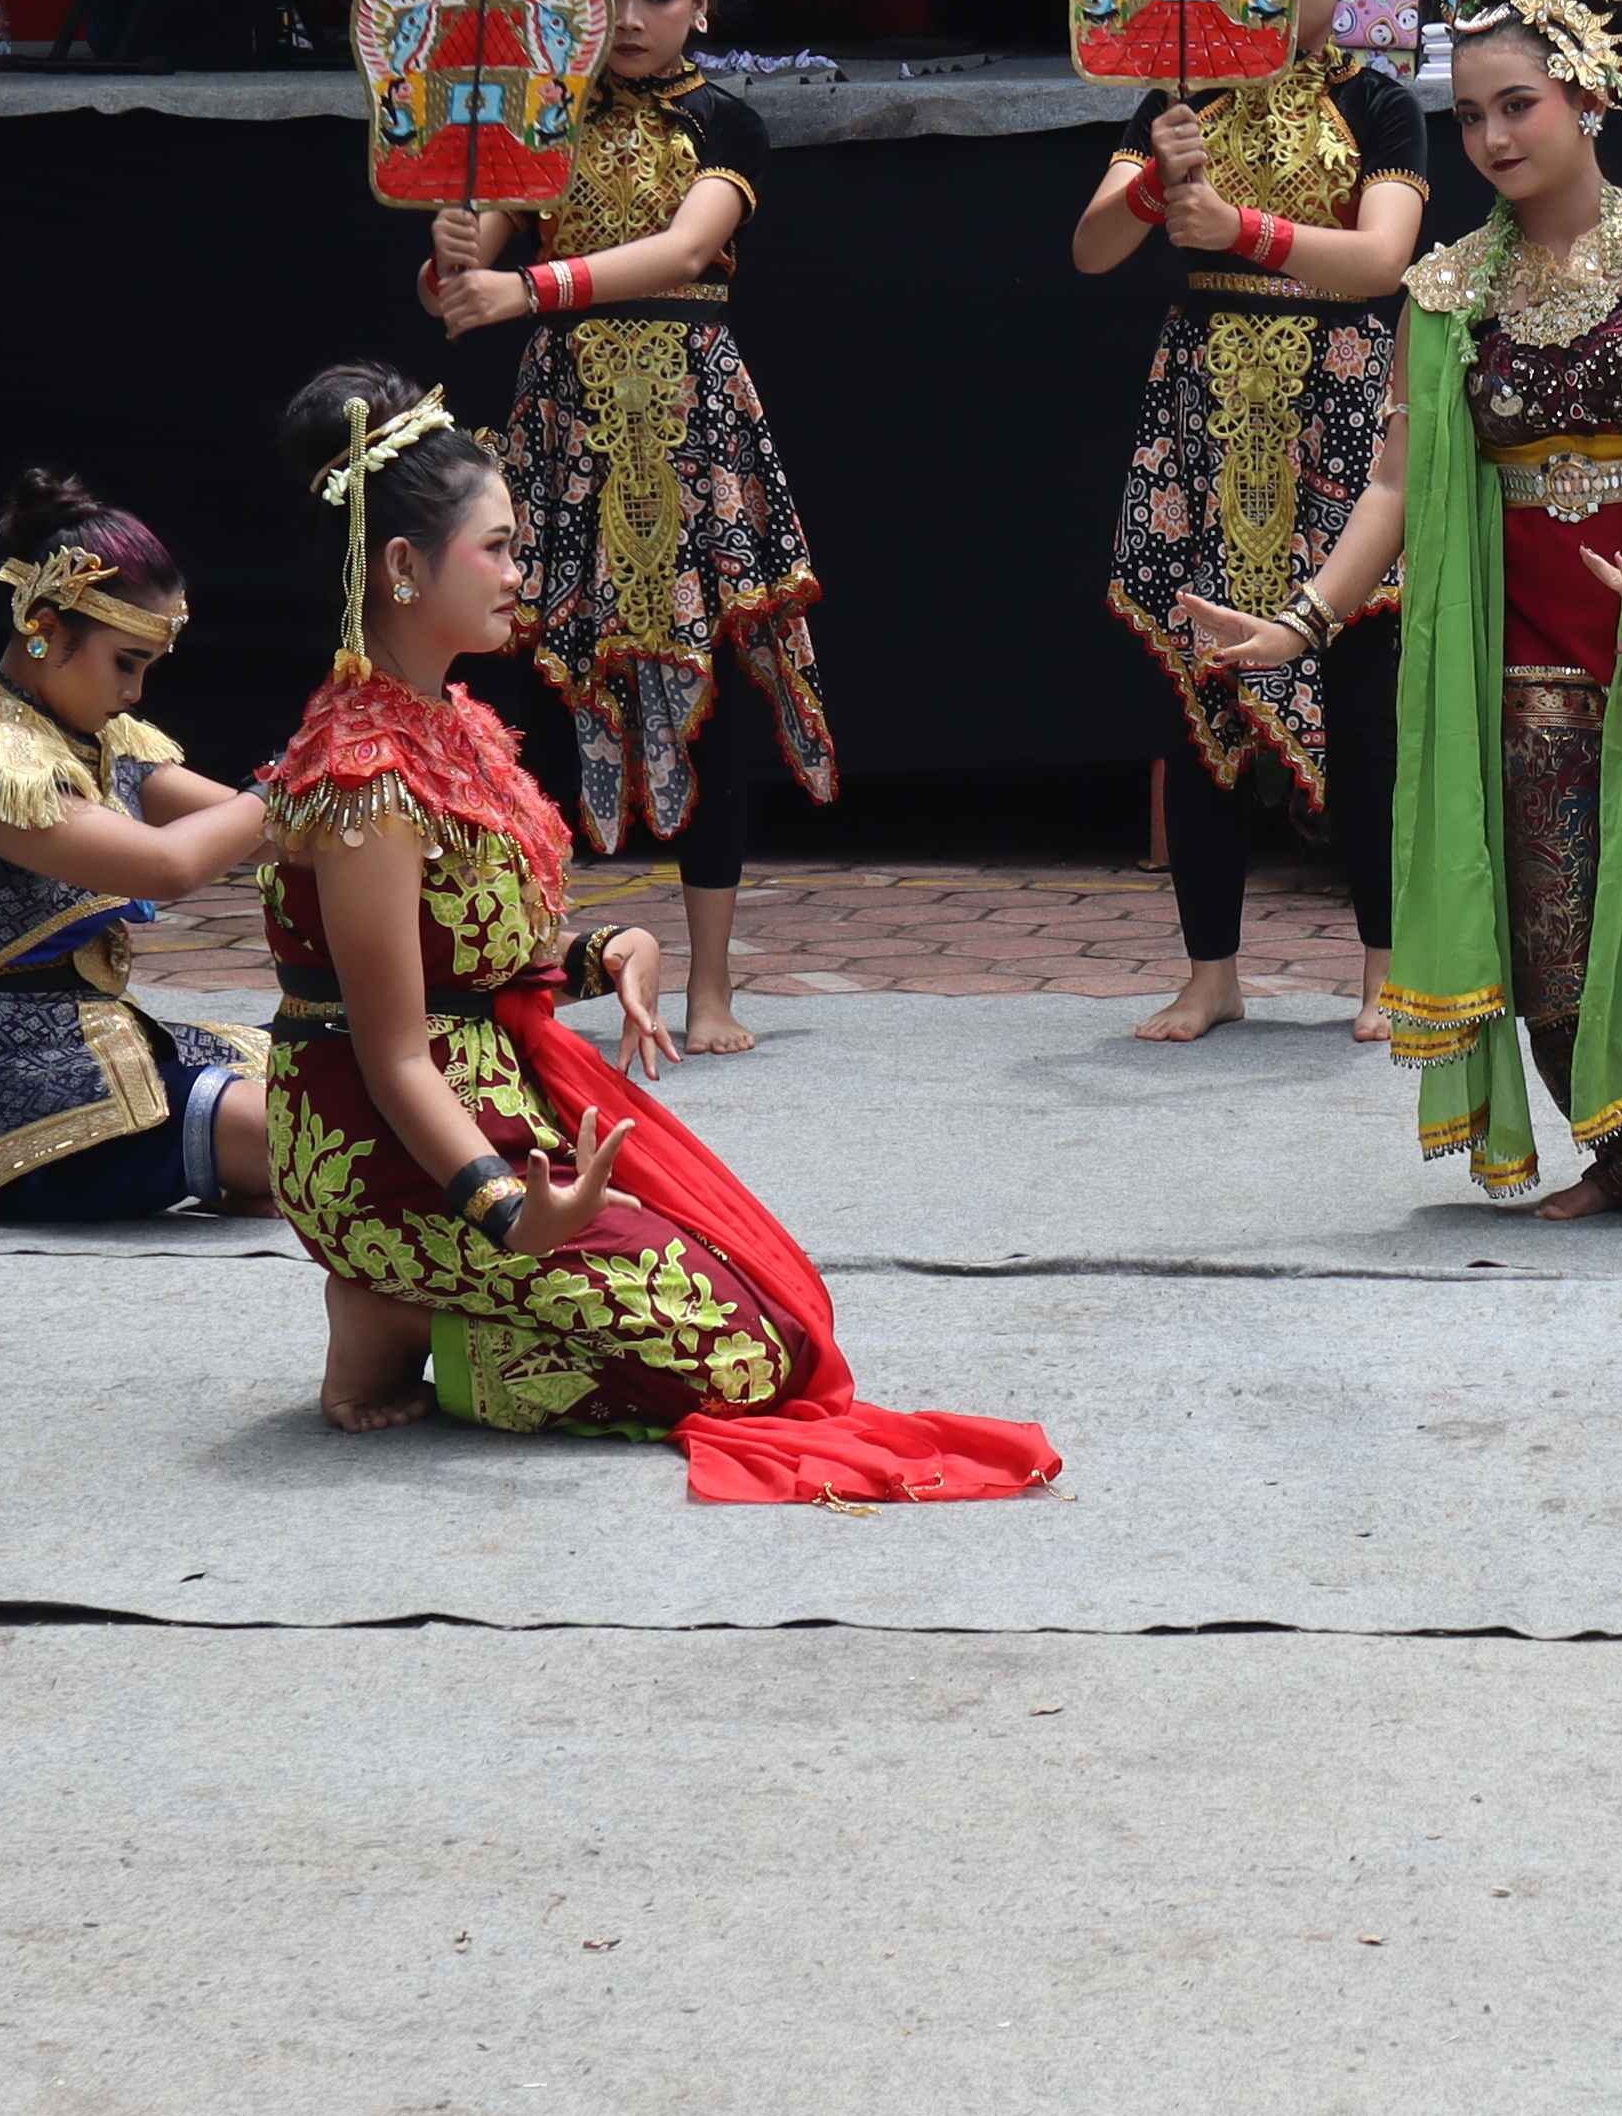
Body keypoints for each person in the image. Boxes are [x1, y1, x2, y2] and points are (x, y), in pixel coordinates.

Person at [257, 363, 1053, 1493]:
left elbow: (472, 962)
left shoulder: (454, 723)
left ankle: (438, 1314)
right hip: (390, 1155)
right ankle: (391, 1313)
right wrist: (508, 1211)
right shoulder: (366, 780)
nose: (519, 574)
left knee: (779, 1314)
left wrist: (604, 953)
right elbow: (393, 1056)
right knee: (740, 1366)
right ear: (402, 566)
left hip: (491, 1106)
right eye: (498, 548)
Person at [1185, 0, 1622, 1225]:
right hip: (1526, 647)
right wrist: (1302, 621)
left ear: (1590, 96)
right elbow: (1395, 484)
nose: (1490, 137)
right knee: (1551, 926)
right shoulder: (1449, 290)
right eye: (1471, 113)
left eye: (1518, 104)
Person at [424, 0, 834, 1056]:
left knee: (707, 697)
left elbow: (684, 247)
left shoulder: (727, 123)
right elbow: (464, 279)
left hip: (691, 428)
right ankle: (527, 968)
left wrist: (524, 287)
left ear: (701, 3)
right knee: (538, 682)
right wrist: (454, 244)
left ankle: (711, 985)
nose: (635, 16)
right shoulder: (540, 122)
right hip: (566, 430)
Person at [1074, 0, 1429, 1044]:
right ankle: (1213, 968)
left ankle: (1385, 966)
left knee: (1366, 694)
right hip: (1207, 412)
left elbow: (1382, 258)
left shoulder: (1381, 102)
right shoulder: (1177, 101)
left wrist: (1240, 228)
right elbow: (1091, 248)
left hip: (1342, 403)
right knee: (1196, 690)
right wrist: (1151, 189)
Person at [0, 471, 276, 1219]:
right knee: (308, 1133)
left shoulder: (98, 739)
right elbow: (172, 865)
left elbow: (258, 835)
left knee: (333, 1069)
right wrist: (288, 784)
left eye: (148, 667)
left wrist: (371, 793)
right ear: (43, 626)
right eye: (125, 662)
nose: (135, 693)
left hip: (80, 1051)